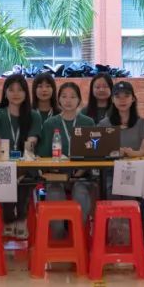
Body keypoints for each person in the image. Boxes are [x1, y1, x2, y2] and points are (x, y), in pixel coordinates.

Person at [0, 74, 43, 237]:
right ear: (5, 93)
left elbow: (31, 143)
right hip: (3, 164)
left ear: (26, 93)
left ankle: (22, 219)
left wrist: (21, 168)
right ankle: (9, 219)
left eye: (20, 90)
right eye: (11, 90)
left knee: (25, 179)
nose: (16, 93)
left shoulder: (34, 115)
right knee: (5, 175)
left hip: (27, 164)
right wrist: (11, 168)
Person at [39, 82, 96, 235]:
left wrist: (82, 170)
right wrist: (54, 169)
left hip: (81, 176)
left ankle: (77, 235)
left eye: (72, 97)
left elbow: (93, 153)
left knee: (80, 193)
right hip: (57, 175)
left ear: (79, 100)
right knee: (55, 193)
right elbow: (43, 154)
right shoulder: (50, 123)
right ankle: (58, 237)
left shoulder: (88, 122)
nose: (68, 100)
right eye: (64, 96)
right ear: (58, 100)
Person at [99, 80, 144, 244]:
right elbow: (97, 150)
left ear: (133, 99)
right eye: (118, 96)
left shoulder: (142, 123)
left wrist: (132, 153)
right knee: (114, 192)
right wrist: (114, 152)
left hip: (135, 172)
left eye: (126, 96)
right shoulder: (104, 124)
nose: (122, 100)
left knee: (130, 195)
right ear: (112, 100)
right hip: (111, 173)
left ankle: (134, 241)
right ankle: (116, 240)